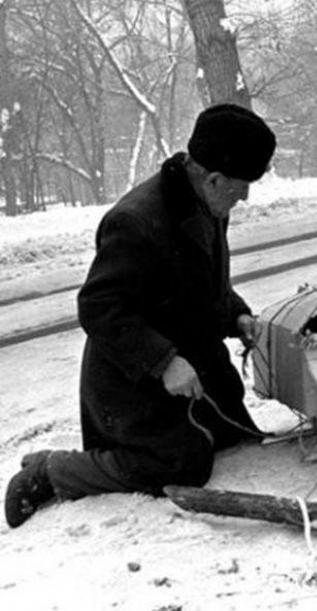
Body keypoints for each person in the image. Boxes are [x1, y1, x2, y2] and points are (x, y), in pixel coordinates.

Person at [5, 103, 277, 528]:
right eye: (240, 189)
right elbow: (99, 307)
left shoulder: (207, 201)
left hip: (192, 364)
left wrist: (238, 317)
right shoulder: (136, 221)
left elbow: (204, 282)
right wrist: (163, 361)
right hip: (131, 378)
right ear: (213, 178)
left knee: (232, 435)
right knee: (179, 465)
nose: (244, 199)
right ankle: (51, 472)